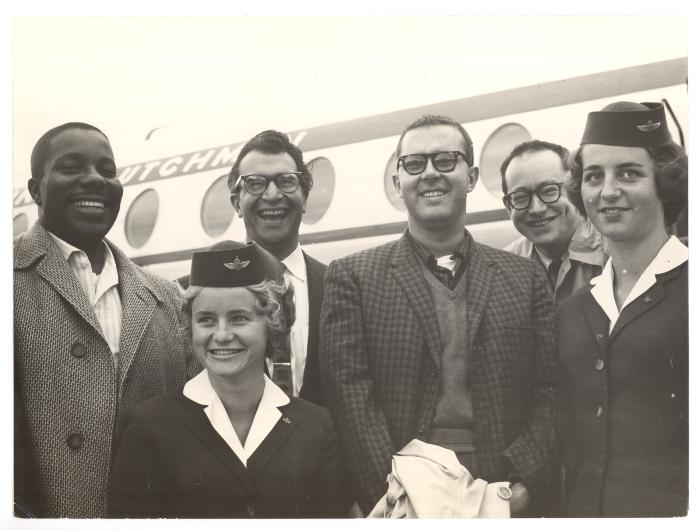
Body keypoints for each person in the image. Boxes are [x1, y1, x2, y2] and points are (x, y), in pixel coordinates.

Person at [320, 114, 558, 516]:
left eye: (446, 160)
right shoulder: (353, 277)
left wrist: (523, 486)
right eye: (415, 164)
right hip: (401, 494)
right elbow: (350, 398)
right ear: (398, 182)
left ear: (471, 175)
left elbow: (550, 390)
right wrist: (400, 490)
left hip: (500, 489)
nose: (430, 173)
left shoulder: (525, 276)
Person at [13, 122, 198, 517]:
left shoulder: (166, 297)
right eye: (71, 167)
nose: (94, 180)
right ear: (35, 190)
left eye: (107, 170)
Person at [108, 241, 349, 518]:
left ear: (273, 322)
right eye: (207, 320)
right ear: (190, 326)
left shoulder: (318, 429)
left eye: (239, 319)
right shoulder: (147, 427)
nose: (221, 335)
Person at [559, 101, 688, 517]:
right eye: (594, 176)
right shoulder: (573, 310)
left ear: (664, 183)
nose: (607, 190)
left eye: (628, 173)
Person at [228, 130, 326, 405]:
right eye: (255, 183)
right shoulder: (196, 292)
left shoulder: (338, 285)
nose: (272, 195)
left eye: (286, 181)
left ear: (304, 198)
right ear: (237, 203)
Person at [501, 140, 606, 305]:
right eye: (520, 197)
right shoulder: (502, 269)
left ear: (575, 190)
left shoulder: (614, 251)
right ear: (508, 207)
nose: (536, 209)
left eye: (549, 191)